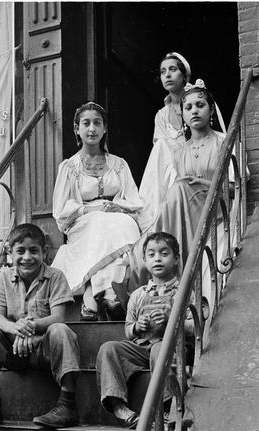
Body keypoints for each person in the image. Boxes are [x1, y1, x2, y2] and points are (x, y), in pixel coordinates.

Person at [0, 223, 81, 429]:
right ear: (10, 253)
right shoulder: (3, 277)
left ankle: (67, 405)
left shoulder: (55, 276)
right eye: (20, 251)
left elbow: (57, 318)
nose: (27, 257)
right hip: (13, 350)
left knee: (61, 331)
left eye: (34, 251)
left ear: (44, 252)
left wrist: (29, 327)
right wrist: (15, 329)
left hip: (42, 351)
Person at [126, 80, 232, 290]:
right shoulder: (178, 153)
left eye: (200, 105)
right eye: (188, 107)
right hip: (187, 212)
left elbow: (235, 188)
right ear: (182, 114)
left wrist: (206, 184)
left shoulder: (224, 142)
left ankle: (160, 259)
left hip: (216, 207)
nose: (194, 111)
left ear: (211, 110)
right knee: (177, 190)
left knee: (180, 188)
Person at [51, 101, 143, 321]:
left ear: (105, 128)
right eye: (86, 123)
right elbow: (61, 209)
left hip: (116, 215)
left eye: (97, 123)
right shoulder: (69, 167)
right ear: (77, 129)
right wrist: (91, 208)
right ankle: (108, 293)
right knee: (101, 223)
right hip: (83, 220)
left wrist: (119, 207)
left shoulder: (119, 164)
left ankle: (93, 296)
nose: (92, 128)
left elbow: (133, 199)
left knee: (124, 223)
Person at [96, 232, 181, 428]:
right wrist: (137, 326)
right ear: (144, 260)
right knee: (109, 348)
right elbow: (128, 329)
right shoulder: (137, 295)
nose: (157, 259)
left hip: (171, 348)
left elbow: (194, 328)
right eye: (151, 254)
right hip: (142, 348)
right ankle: (119, 408)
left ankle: (166, 409)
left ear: (176, 258)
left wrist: (172, 320)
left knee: (160, 349)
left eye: (164, 253)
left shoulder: (182, 291)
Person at [138, 53, 227, 233]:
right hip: (174, 166)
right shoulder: (161, 115)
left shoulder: (200, 99)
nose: (167, 75)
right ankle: (153, 224)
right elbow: (161, 153)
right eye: (163, 72)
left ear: (184, 75)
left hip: (203, 167)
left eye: (172, 69)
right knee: (161, 148)